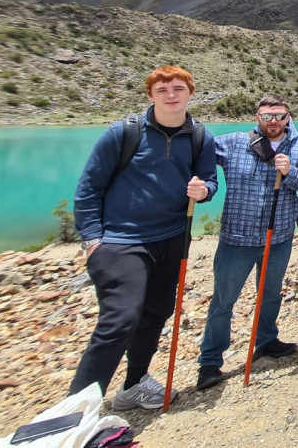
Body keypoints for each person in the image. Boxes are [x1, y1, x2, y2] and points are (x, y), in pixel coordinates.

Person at [69, 66, 218, 408]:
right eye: (162, 89)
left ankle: (133, 385)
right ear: (150, 94)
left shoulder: (199, 136)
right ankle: (74, 412)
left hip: (172, 238)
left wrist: (204, 189)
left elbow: (209, 181)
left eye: (178, 88)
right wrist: (92, 240)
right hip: (121, 241)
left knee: (156, 311)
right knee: (120, 318)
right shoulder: (123, 133)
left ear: (190, 93)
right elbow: (89, 188)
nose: (171, 95)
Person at [196, 95, 298, 391]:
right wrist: (203, 185)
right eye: (267, 116)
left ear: (288, 117)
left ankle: (266, 341)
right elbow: (199, 152)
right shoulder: (233, 142)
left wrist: (291, 172)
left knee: (269, 295)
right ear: (257, 117)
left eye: (279, 116)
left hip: (277, 238)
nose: (274, 122)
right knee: (223, 301)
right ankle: (210, 360)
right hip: (236, 238)